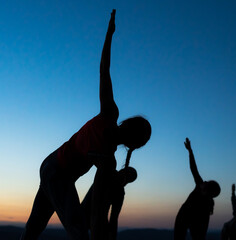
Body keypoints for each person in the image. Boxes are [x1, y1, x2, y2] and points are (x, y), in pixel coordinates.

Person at [20, 9, 151, 240]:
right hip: (56, 166)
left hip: (57, 171)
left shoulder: (107, 159)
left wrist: (121, 179)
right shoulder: (109, 114)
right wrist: (109, 35)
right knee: (76, 228)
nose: (129, 131)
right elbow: (104, 70)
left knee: (36, 226)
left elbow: (98, 196)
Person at [174, 138, 221, 240]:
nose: (204, 181)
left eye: (206, 183)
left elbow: (203, 230)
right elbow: (193, 169)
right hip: (184, 214)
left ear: (207, 191)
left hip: (195, 219)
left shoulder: (206, 207)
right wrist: (190, 151)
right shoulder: (199, 185)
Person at [81, 166, 137, 240]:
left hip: (88, 218)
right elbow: (114, 218)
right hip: (88, 218)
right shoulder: (109, 175)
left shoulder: (119, 191)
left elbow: (114, 217)